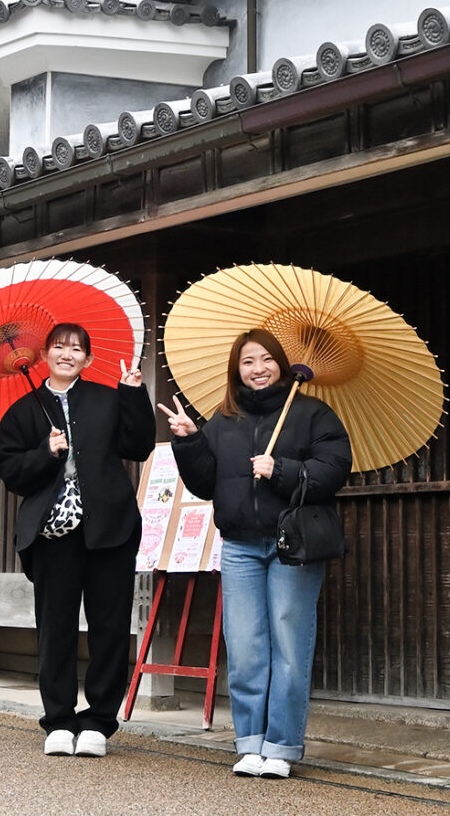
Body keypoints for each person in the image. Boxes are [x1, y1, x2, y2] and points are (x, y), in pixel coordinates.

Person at [158, 329, 351, 779]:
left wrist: (280, 468)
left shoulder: (311, 413)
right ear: (236, 369)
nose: (258, 368)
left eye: (266, 359)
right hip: (240, 545)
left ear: (282, 365)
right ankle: (248, 743)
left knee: (288, 644)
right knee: (245, 647)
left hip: (293, 546)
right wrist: (189, 440)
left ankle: (281, 746)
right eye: (247, 361)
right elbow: (206, 483)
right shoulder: (223, 422)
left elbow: (335, 468)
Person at [0, 323, 153, 759]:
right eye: (59, 347)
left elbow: (138, 446)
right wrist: (45, 452)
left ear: (88, 359)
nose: (67, 354)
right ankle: (59, 719)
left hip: (110, 530)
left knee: (110, 626)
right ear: (44, 354)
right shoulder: (24, 411)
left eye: (77, 349)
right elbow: (8, 470)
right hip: (52, 533)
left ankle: (100, 719)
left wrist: (134, 392)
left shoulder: (107, 398)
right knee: (56, 627)